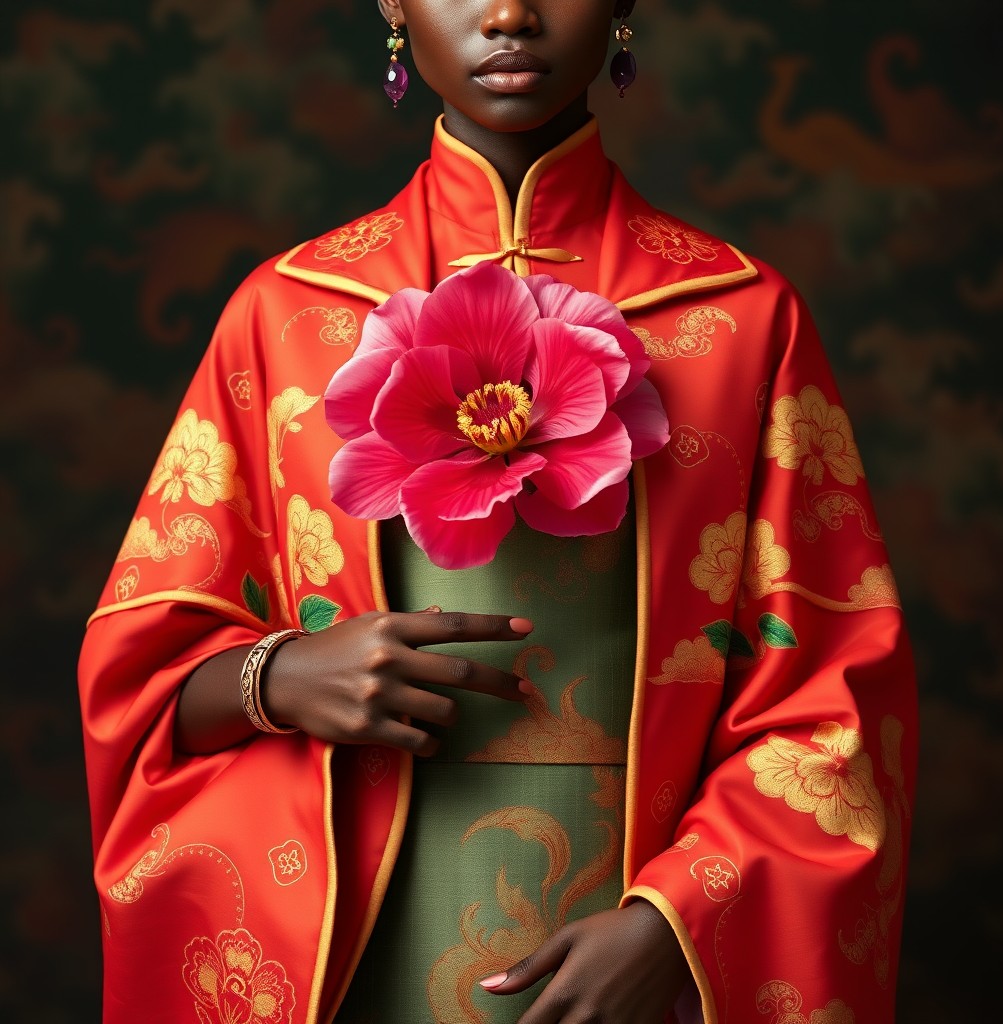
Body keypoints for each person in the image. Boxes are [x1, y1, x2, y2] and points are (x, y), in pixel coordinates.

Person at [78, 1, 917, 1022]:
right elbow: (139, 677)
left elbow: (835, 695)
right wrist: (278, 676)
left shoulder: (738, 318)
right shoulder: (287, 312)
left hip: (636, 941)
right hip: (358, 951)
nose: (510, 11)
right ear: (392, 3)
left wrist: (676, 921)